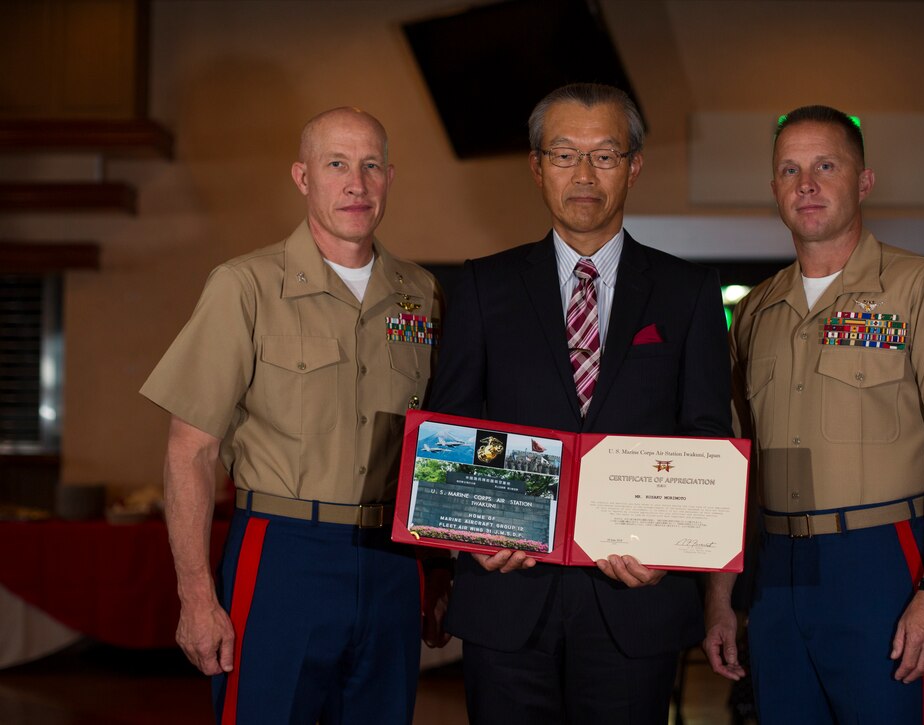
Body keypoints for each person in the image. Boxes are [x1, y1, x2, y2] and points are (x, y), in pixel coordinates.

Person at [426, 83, 732, 724]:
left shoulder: (688, 292)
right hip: (507, 591)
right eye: (564, 155)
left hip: (635, 598)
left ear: (634, 167)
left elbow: (703, 437)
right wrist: (467, 530)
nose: (584, 175)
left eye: (606, 155)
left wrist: (669, 545)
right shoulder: (482, 286)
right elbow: (451, 424)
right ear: (538, 169)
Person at [140, 107, 448, 724]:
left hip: (393, 561)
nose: (355, 183)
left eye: (369, 166)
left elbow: (436, 443)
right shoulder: (244, 286)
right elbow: (190, 450)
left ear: (389, 177)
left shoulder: (423, 293)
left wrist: (438, 573)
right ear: (302, 177)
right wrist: (196, 594)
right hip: (284, 555)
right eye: (336, 164)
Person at [703, 105, 924, 724]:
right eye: (789, 169)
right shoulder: (758, 310)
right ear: (774, 190)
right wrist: (719, 598)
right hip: (778, 573)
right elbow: (739, 466)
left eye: (825, 166)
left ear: (863, 181)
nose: (806, 184)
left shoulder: (923, 288)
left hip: (883, 565)